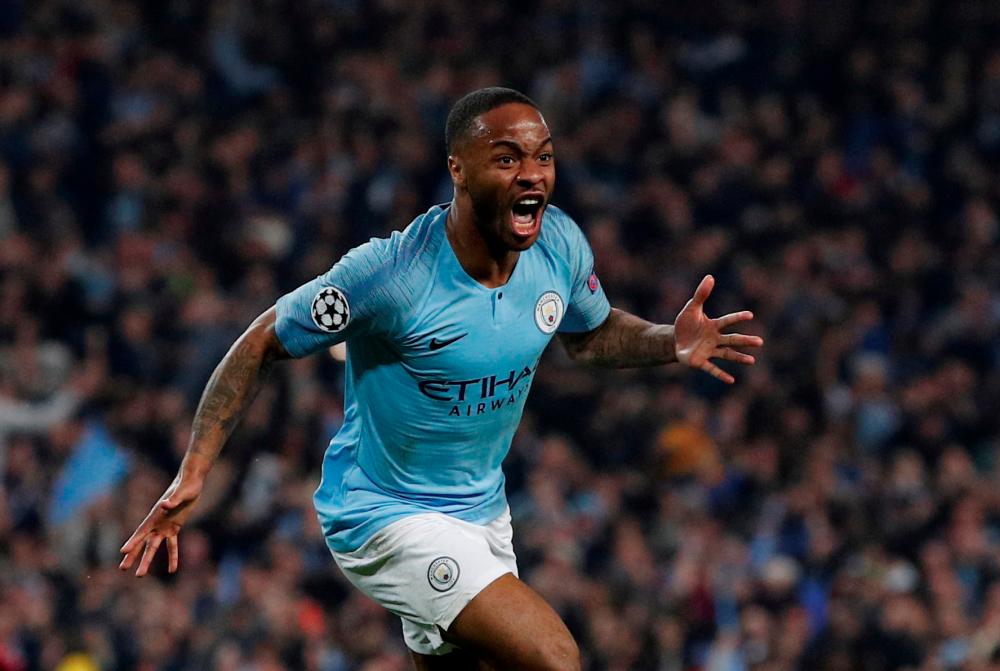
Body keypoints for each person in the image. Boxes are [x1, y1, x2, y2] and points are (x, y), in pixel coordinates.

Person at [120, 87, 763, 670]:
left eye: (543, 157)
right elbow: (262, 340)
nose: (532, 173)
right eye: (507, 158)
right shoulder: (392, 275)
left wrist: (667, 344)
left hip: (483, 511)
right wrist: (195, 470)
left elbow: (588, 337)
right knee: (555, 658)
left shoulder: (560, 245)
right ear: (458, 168)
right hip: (383, 513)